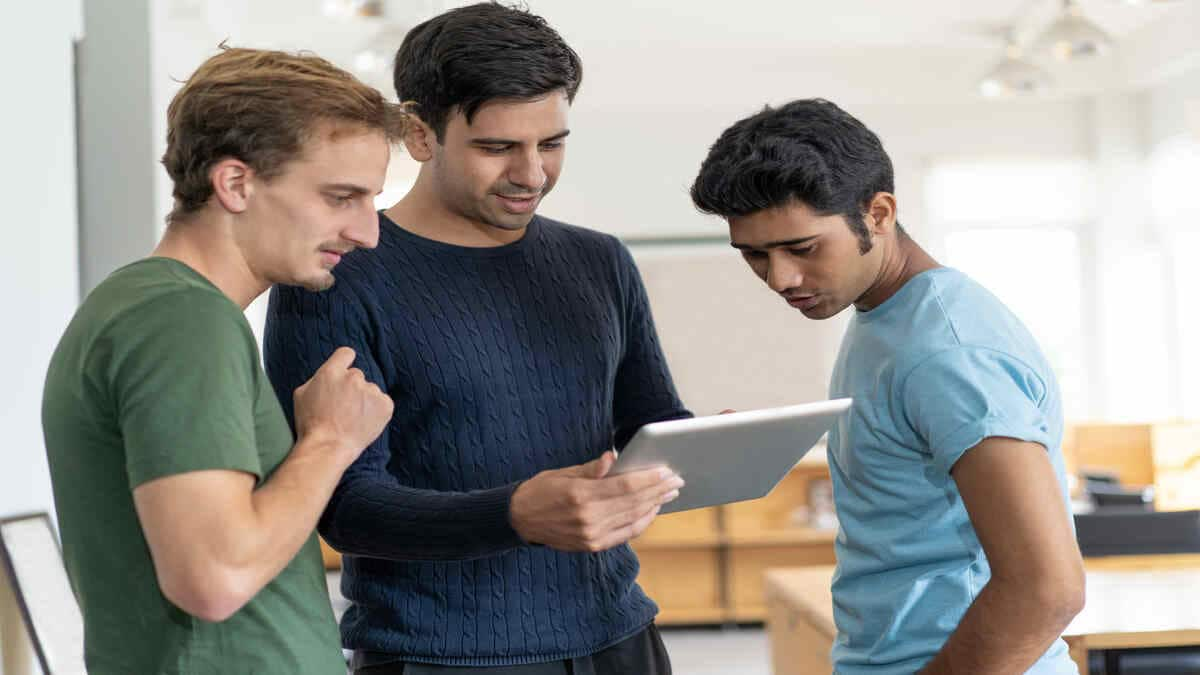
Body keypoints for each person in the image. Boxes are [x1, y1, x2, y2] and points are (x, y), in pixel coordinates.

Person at [264, 3, 689, 673]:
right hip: (439, 656)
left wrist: (706, 449)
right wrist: (515, 512)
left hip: (620, 638)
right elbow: (342, 504)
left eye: (551, 143)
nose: (532, 172)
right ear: (418, 133)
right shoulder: (336, 279)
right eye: (497, 147)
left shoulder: (601, 261)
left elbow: (652, 426)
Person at [41, 46, 405, 674]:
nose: (366, 232)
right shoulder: (180, 321)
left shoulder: (153, 308)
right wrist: (330, 441)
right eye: (340, 197)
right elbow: (215, 577)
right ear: (235, 183)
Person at [690, 98, 1085, 675]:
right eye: (754, 254)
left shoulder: (948, 351)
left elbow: (1047, 588)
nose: (780, 279)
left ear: (877, 213)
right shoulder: (886, 315)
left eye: (802, 248)